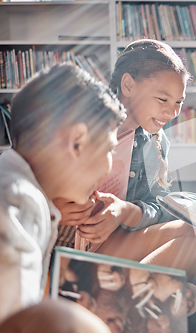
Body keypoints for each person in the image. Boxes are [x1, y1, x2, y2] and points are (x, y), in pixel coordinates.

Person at [54, 39, 196, 279]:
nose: (172, 113)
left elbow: (159, 206)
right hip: (60, 244)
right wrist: (52, 209)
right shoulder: (73, 124)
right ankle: (95, 290)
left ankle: (121, 293)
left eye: (179, 103)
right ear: (128, 85)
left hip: (113, 244)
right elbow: (18, 180)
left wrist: (124, 211)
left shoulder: (155, 142)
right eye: (163, 99)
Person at [0, 63, 125, 331]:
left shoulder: (12, 181)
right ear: (77, 141)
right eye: (110, 149)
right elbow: (17, 323)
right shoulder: (19, 202)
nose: (109, 166)